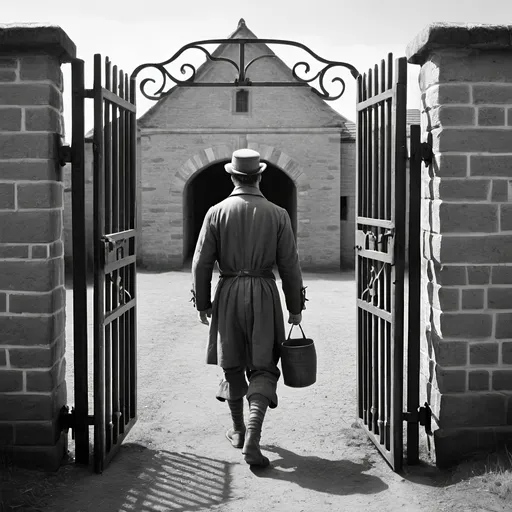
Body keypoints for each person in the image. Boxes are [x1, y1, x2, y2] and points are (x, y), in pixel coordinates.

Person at [191, 148, 306, 468]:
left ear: (232, 176)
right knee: (264, 366)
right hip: (264, 293)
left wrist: (203, 302)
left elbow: (201, 263)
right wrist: (295, 306)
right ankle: (253, 439)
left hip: (228, 293)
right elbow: (290, 266)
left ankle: (239, 431)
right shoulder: (278, 213)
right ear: (258, 176)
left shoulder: (215, 212)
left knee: (232, 364)